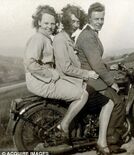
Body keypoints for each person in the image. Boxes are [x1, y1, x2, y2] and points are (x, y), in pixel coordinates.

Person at [53, 4, 115, 155]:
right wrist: (87, 73)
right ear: (65, 21)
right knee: (108, 101)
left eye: (76, 21)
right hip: (71, 81)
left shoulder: (68, 38)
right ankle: (102, 141)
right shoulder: (61, 39)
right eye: (72, 21)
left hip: (75, 80)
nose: (75, 25)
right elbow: (66, 68)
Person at [24, 5, 89, 142]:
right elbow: (30, 63)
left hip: (43, 79)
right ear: (39, 22)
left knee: (79, 86)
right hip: (41, 81)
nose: (50, 26)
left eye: (52, 23)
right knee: (82, 95)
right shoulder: (38, 39)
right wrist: (50, 74)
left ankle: (74, 126)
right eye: (46, 23)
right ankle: (64, 125)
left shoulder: (45, 38)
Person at [75, 2, 127, 153]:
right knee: (117, 102)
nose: (100, 22)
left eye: (102, 19)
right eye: (96, 19)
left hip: (94, 76)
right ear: (89, 19)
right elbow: (95, 64)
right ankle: (110, 142)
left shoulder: (91, 34)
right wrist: (112, 82)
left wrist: (109, 66)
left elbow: (96, 59)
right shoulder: (87, 36)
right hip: (91, 79)